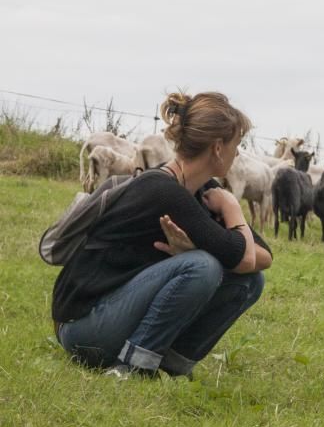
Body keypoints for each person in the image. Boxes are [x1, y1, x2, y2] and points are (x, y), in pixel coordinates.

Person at [52, 91, 273, 379]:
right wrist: (232, 208)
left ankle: (172, 366)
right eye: (236, 145)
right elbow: (244, 257)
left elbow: (264, 256)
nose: (238, 153)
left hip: (112, 318)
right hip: (84, 327)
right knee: (202, 266)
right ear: (218, 148)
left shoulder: (200, 189)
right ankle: (133, 368)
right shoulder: (165, 191)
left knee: (249, 282)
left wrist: (202, 244)